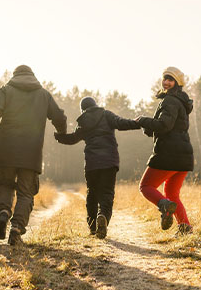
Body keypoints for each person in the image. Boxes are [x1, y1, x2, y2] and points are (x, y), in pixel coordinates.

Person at [0, 65, 67, 245]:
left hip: (7, 148)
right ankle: (16, 228)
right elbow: (59, 117)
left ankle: (4, 212)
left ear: (14, 75)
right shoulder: (43, 94)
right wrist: (61, 134)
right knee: (26, 192)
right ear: (32, 76)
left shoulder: (6, 90)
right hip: (31, 152)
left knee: (5, 184)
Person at [54, 96, 141, 239]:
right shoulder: (106, 114)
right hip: (109, 161)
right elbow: (121, 123)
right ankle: (103, 216)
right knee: (107, 193)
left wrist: (59, 137)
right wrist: (137, 123)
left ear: (83, 109)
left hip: (92, 164)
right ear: (95, 105)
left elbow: (72, 139)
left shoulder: (83, 121)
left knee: (92, 194)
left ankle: (93, 226)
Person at [135, 66, 194, 234]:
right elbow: (169, 126)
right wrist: (147, 126)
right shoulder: (181, 102)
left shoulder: (170, 101)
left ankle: (165, 206)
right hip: (184, 156)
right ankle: (185, 228)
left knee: (146, 186)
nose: (166, 82)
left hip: (169, 154)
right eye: (165, 79)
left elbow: (164, 125)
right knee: (171, 193)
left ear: (177, 83)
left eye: (171, 79)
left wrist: (144, 120)